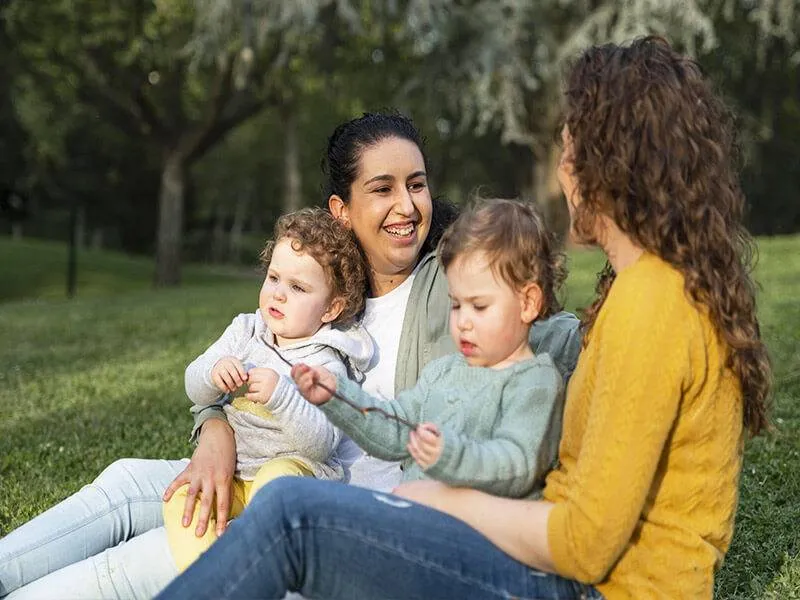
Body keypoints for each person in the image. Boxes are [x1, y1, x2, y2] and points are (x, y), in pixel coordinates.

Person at [156, 37, 772, 600]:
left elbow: (588, 542)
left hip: (593, 589)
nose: (562, 172)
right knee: (287, 506)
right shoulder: (646, 292)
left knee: (291, 515)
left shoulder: (655, 307)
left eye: (569, 150)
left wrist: (442, 501)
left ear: (611, 164)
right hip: (557, 566)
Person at [0, 112, 581, 599]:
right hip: (262, 468)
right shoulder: (325, 290)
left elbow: (546, 330)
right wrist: (213, 429)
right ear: (341, 209)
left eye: (417, 183)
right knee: (125, 484)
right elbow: (249, 358)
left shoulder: (450, 288)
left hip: (335, 506)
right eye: (382, 188)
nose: (406, 205)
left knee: (146, 557)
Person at [293, 199, 566, 500]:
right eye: (456, 304)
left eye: (479, 306)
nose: (463, 322)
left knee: (295, 507)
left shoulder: (535, 382)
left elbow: (517, 465)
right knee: (288, 498)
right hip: (414, 516)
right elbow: (396, 428)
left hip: (475, 537)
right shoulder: (444, 372)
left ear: (528, 303)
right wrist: (339, 396)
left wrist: (449, 455)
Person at [163, 207, 373, 572]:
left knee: (275, 485)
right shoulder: (246, 331)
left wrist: (282, 395)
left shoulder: (327, 364)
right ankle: (209, 582)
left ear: (331, 307)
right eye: (274, 278)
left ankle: (255, 569)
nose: (278, 294)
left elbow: (322, 443)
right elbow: (193, 386)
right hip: (237, 475)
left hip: (298, 473)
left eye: (297, 287)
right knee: (183, 499)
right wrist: (213, 373)